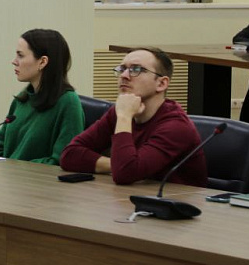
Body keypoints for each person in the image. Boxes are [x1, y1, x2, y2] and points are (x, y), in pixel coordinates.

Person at [60, 47, 207, 186]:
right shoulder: (120, 111)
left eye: (136, 69)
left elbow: (124, 173)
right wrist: (115, 164)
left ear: (161, 83)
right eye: (122, 69)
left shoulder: (176, 126)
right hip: (132, 196)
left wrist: (124, 117)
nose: (124, 75)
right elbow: (69, 155)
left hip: (176, 202)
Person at [0, 30, 84, 164]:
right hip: (9, 175)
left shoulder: (68, 102)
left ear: (42, 62)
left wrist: (13, 168)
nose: (14, 61)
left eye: (20, 55)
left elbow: (62, 160)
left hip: (37, 177)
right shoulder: (22, 99)